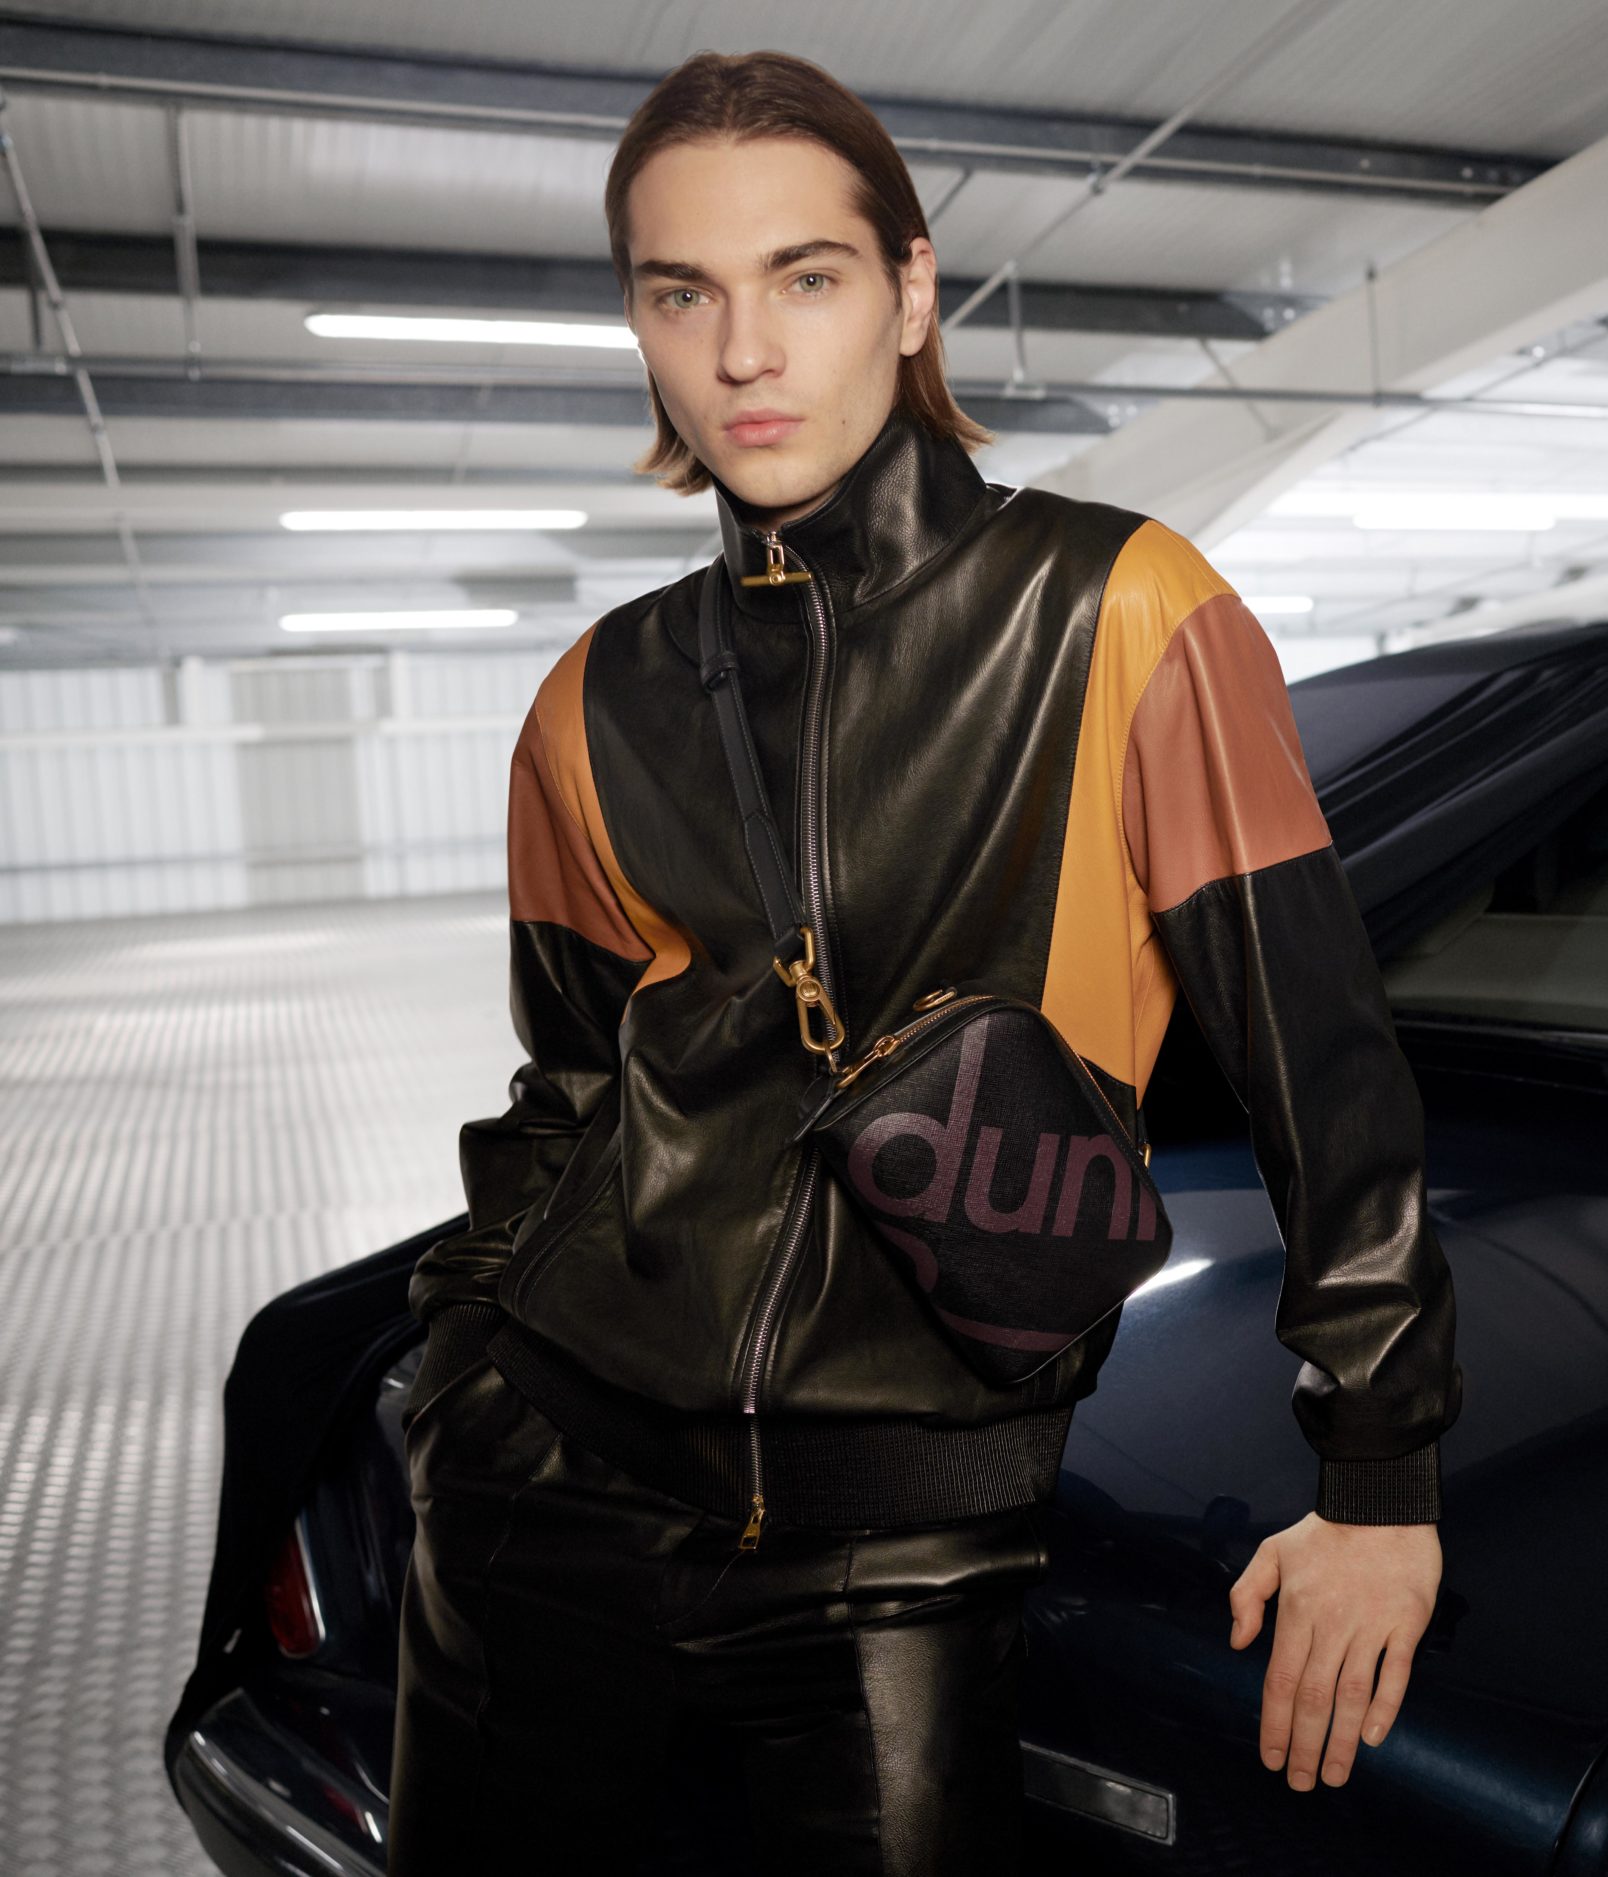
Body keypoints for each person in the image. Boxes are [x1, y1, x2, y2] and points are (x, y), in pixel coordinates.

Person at [386, 46, 1464, 1877]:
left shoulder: (1125, 614)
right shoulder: (592, 698)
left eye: (803, 277)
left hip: (900, 1558)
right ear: (639, 324)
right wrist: (463, 1375)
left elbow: (1326, 1072)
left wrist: (1379, 1474)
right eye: (683, 294)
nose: (745, 352)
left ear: (908, 291)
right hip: (540, 1503)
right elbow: (568, 1093)